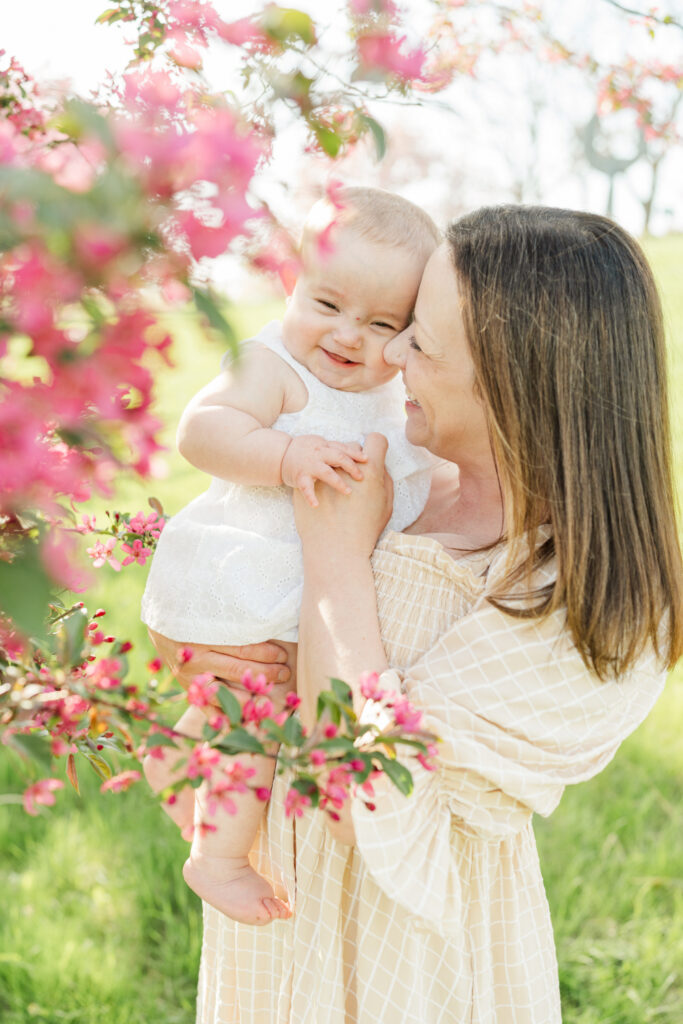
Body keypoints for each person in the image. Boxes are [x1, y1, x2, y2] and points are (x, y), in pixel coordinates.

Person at [149, 205, 682, 1023]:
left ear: (513, 379)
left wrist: (333, 557)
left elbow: (363, 791)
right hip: (277, 924)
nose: (388, 355)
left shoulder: (582, 603)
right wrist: (204, 640)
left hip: (418, 968)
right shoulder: (393, 483)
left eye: (417, 340)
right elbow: (243, 601)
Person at [141, 186, 439, 927]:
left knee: (246, 704)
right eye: (327, 304)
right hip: (242, 579)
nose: (347, 336)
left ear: (409, 337)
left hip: (292, 591)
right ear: (289, 285)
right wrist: (283, 454)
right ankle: (217, 858)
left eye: (380, 324)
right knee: (260, 716)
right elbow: (201, 431)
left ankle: (176, 758)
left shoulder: (390, 398)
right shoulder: (273, 364)